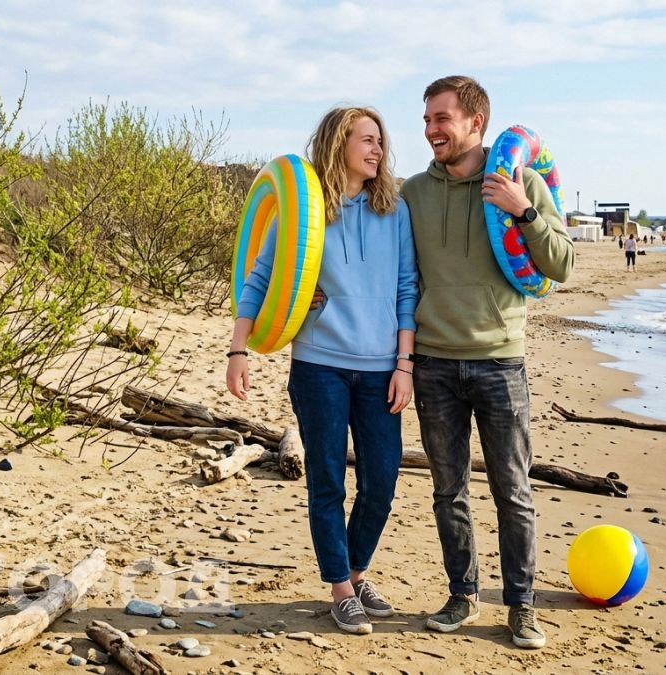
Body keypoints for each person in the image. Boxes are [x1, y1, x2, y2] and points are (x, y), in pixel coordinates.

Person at [226, 106, 418, 636]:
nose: (378, 149)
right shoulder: (305, 212)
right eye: (367, 140)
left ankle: (356, 574)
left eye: (381, 141)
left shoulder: (394, 210)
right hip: (319, 366)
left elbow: (407, 287)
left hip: (382, 368)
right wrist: (238, 351)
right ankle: (340, 588)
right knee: (327, 479)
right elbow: (260, 277)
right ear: (339, 145)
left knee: (382, 477)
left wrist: (405, 363)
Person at [400, 75, 574, 650]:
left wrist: (524, 211)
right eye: (426, 120)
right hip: (433, 363)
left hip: (500, 363)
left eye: (441, 119)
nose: (430, 130)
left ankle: (521, 606)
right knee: (448, 490)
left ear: (477, 122)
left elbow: (562, 263)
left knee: (512, 490)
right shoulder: (413, 193)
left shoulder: (517, 181)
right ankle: (462, 595)